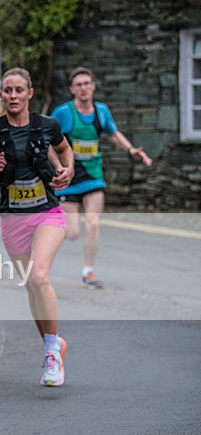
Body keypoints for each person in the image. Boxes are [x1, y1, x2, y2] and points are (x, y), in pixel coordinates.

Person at [0, 67, 75, 387]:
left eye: (18, 90)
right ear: (2, 95)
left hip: (47, 213)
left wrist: (67, 170)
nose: (12, 96)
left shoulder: (48, 126)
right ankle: (53, 344)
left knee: (40, 276)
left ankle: (51, 354)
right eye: (7, 91)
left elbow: (65, 150)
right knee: (32, 286)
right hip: (13, 218)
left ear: (30, 93)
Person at [51, 67, 153, 289]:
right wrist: (57, 166)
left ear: (93, 86)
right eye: (78, 84)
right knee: (73, 232)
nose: (83, 87)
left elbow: (113, 133)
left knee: (94, 223)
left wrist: (131, 150)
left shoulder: (101, 111)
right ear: (72, 89)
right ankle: (43, 233)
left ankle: (88, 271)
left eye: (87, 83)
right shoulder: (63, 113)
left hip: (93, 175)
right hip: (68, 177)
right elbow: (47, 139)